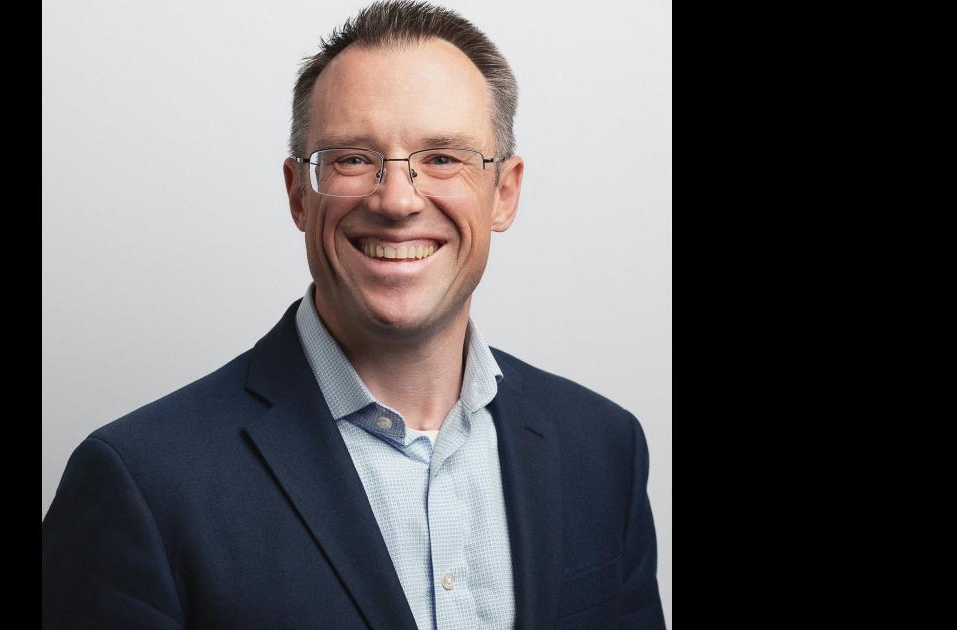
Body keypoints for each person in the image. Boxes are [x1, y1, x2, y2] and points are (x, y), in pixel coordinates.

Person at [41, 1, 665, 628]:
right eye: (352, 159)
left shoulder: (602, 449)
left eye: (442, 158)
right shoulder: (141, 482)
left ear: (504, 192)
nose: (397, 201)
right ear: (298, 195)